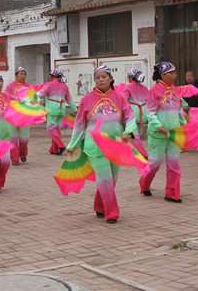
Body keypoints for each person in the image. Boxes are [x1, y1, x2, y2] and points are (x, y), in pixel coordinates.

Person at [66, 65, 136, 223]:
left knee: (112, 180)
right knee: (105, 179)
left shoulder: (119, 98)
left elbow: (130, 116)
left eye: (104, 77)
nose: (101, 79)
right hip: (95, 145)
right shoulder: (87, 99)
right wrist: (72, 144)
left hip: (116, 144)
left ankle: (99, 205)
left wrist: (129, 131)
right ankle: (112, 213)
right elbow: (79, 124)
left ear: (111, 79)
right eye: (97, 77)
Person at [139, 62, 186, 202]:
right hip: (158, 134)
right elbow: (150, 112)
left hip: (174, 133)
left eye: (174, 72)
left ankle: (171, 193)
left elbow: (178, 110)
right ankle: (144, 183)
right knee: (154, 163)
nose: (174, 75)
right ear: (162, 74)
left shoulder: (175, 89)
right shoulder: (154, 91)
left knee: (174, 164)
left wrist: (184, 124)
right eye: (170, 73)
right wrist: (158, 125)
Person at [37, 69, 76, 155]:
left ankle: (61, 146)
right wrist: (75, 110)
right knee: (57, 130)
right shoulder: (64, 86)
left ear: (52, 76)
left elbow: (40, 94)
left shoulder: (49, 85)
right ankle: (54, 149)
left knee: (50, 129)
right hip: (61, 110)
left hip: (52, 110)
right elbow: (69, 100)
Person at [5, 67, 31, 165]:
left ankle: (23, 153)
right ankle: (15, 159)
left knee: (25, 138)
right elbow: (6, 99)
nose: (23, 76)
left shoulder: (29, 87)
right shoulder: (10, 87)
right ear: (16, 75)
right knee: (13, 138)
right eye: (21, 74)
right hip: (13, 116)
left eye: (24, 74)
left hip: (25, 116)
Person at [121, 69, 149, 156]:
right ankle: (131, 153)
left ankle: (142, 154)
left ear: (130, 78)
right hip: (143, 114)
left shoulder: (128, 87)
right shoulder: (145, 88)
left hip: (132, 114)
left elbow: (123, 101)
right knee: (138, 134)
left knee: (133, 135)